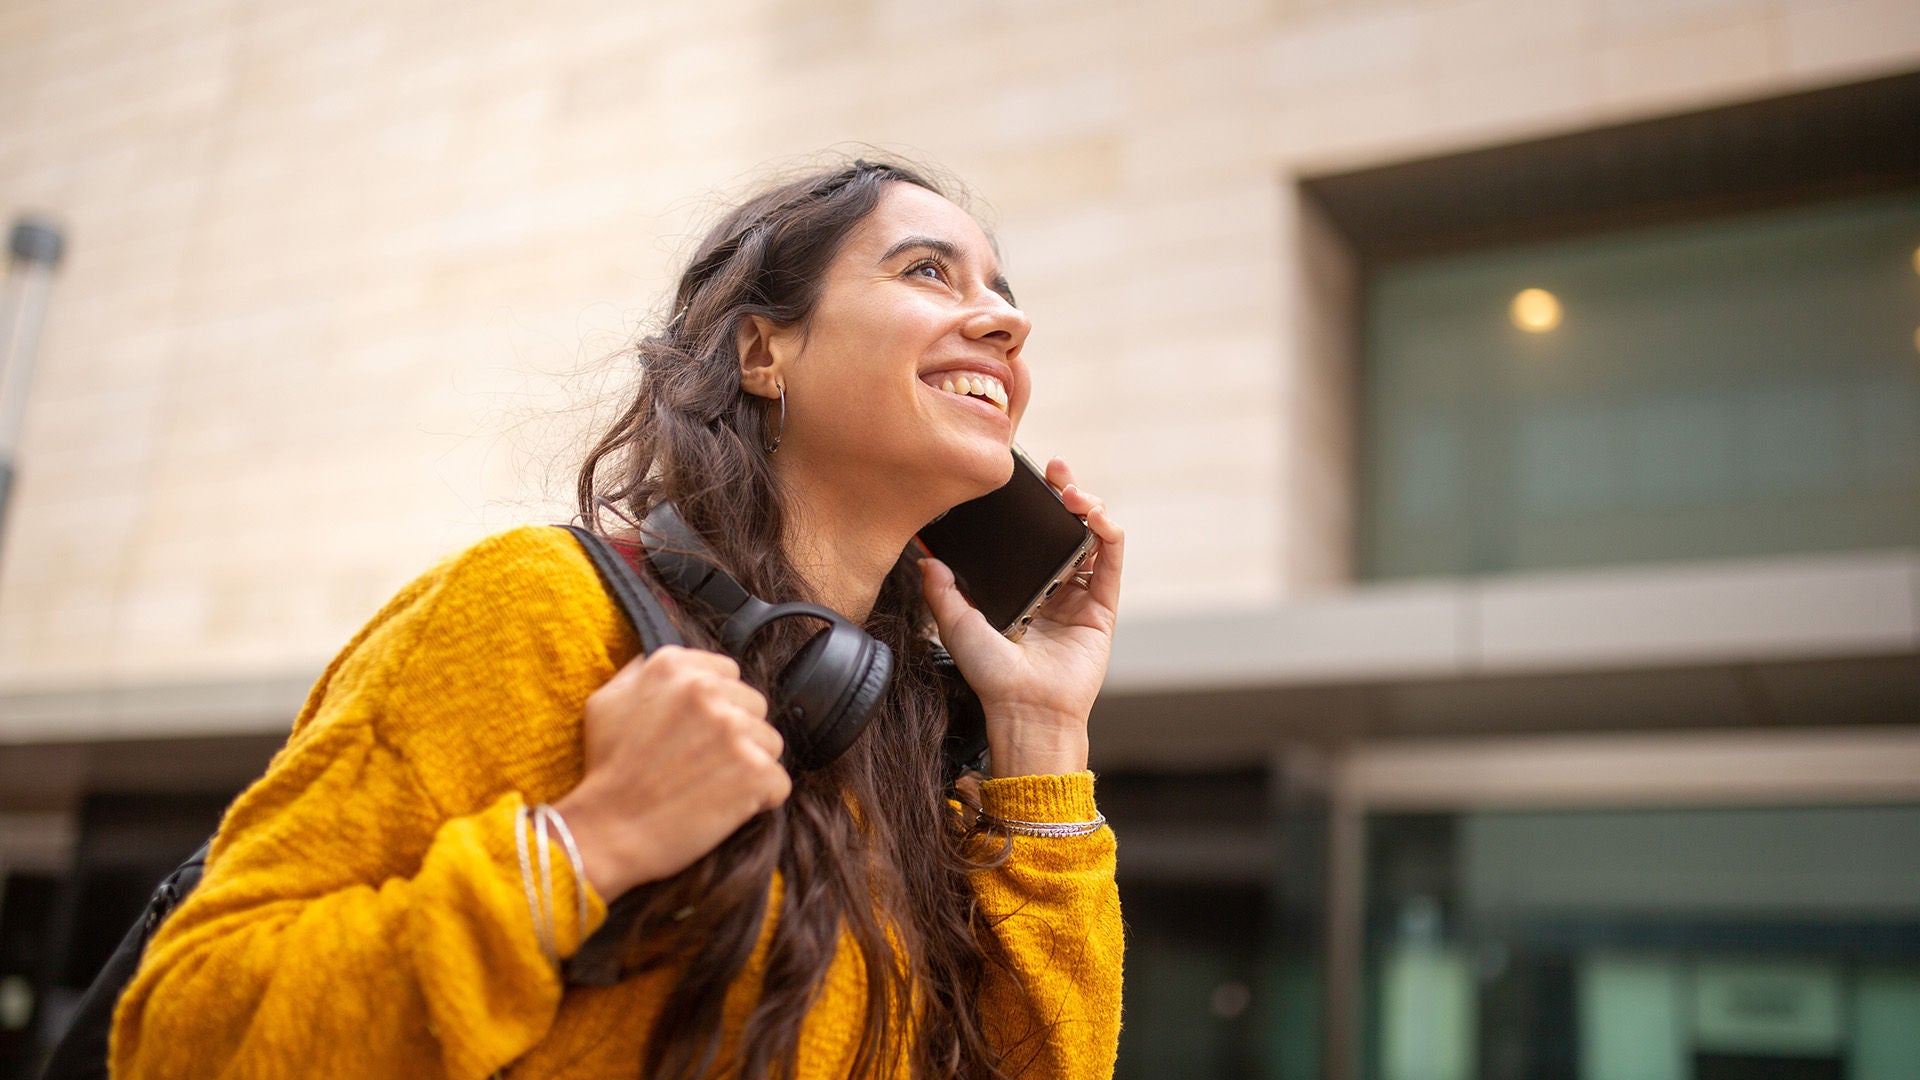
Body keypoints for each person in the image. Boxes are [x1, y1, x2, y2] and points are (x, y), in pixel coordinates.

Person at [108, 158, 1125, 1079]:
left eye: (1002, 293)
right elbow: (185, 1040)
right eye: (928, 271)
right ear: (762, 351)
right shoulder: (541, 607)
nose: (1007, 323)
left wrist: (1040, 729)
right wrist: (584, 845)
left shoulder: (900, 751)